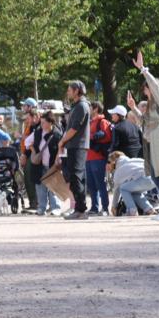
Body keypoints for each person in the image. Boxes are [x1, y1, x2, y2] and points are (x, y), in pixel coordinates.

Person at [126, 51, 159, 221]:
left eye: (145, 89)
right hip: (154, 141)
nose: (145, 92)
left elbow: (155, 88)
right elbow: (143, 122)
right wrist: (134, 108)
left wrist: (143, 69)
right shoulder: (152, 105)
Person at [54, 82, 91, 220]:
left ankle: (80, 210)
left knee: (76, 177)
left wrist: (62, 141)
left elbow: (74, 129)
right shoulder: (77, 105)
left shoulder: (82, 105)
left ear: (77, 91)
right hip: (74, 146)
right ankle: (79, 209)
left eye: (70, 90)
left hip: (78, 145)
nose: (68, 92)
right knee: (77, 177)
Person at [107, 151, 157, 217]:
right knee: (133, 191)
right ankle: (149, 209)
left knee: (123, 188)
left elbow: (117, 191)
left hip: (144, 180)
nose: (108, 164)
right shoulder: (133, 160)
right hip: (154, 180)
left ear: (114, 161)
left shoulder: (119, 171)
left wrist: (114, 206)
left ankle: (132, 211)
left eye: (109, 162)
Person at [85, 101, 113, 216]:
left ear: (95, 109)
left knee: (101, 184)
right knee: (91, 185)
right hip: (89, 158)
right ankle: (94, 207)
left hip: (98, 158)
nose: (89, 109)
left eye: (90, 107)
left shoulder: (103, 121)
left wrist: (91, 137)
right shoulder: (91, 122)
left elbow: (107, 137)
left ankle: (105, 208)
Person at [32, 111, 62, 216]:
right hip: (39, 164)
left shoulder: (57, 134)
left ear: (50, 122)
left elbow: (61, 148)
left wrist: (58, 160)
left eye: (44, 122)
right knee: (40, 186)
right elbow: (30, 144)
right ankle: (41, 208)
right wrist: (33, 153)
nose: (42, 125)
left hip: (52, 164)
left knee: (53, 187)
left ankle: (56, 208)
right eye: (41, 122)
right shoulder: (37, 132)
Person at [19, 107, 40, 210]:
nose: (27, 121)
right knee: (28, 176)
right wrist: (24, 155)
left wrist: (25, 155)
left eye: (28, 118)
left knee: (31, 176)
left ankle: (37, 203)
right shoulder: (32, 127)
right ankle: (33, 202)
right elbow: (28, 143)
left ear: (35, 117)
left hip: (38, 155)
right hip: (30, 154)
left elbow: (33, 142)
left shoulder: (39, 126)